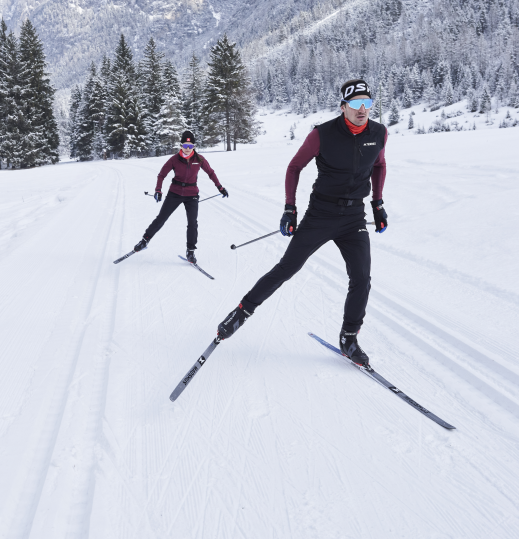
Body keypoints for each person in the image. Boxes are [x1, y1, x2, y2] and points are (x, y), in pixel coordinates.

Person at [215, 79, 389, 363]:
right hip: (322, 213)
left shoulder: (379, 133)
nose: (363, 109)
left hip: (355, 215)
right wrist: (289, 209)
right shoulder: (322, 135)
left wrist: (378, 204)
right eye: (356, 104)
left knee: (361, 278)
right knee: (286, 268)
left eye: (367, 103)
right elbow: (294, 167)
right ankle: (241, 312)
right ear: (343, 107)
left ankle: (349, 338)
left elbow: (379, 165)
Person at [134, 130, 228, 265]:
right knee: (161, 218)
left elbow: (211, 173)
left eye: (190, 146)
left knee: (192, 223)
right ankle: (144, 240)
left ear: (194, 146)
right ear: (181, 146)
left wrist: (220, 187)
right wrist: (158, 190)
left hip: (192, 194)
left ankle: (190, 251)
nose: (188, 149)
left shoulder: (199, 159)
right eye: (185, 146)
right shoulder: (174, 159)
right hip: (175, 193)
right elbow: (161, 175)